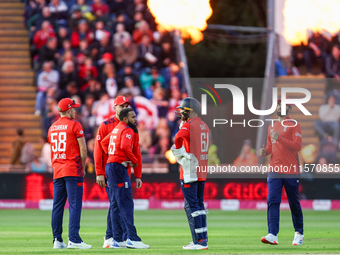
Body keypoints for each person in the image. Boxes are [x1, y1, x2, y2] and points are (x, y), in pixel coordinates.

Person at [101, 108, 150, 249]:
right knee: (127, 202)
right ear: (125, 119)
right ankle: (132, 238)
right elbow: (125, 147)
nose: (135, 119)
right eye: (133, 117)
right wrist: (133, 161)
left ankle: (117, 239)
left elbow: (104, 143)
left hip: (111, 167)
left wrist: (112, 154)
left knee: (116, 204)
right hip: (118, 168)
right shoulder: (127, 130)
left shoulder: (117, 128)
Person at [258, 99, 304, 246]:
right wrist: (265, 151)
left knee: (293, 202)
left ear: (289, 110)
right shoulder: (272, 126)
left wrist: (281, 138)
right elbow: (271, 147)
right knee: (272, 200)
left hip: (290, 170)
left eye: (283, 106)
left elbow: (297, 146)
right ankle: (272, 234)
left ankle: (299, 233)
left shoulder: (294, 125)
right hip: (274, 169)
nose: (279, 108)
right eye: (278, 105)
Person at [47, 98, 91, 249]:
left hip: (57, 170)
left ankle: (57, 240)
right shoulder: (75, 124)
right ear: (69, 109)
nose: (75, 111)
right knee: (74, 205)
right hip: (73, 169)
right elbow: (83, 149)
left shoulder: (52, 127)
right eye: (73, 108)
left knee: (57, 206)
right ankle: (74, 239)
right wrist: (83, 167)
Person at [171, 97, 209, 250]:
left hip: (189, 170)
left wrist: (179, 152)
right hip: (201, 171)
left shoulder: (188, 126)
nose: (180, 113)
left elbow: (178, 137)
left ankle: (197, 242)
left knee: (191, 206)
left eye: (183, 110)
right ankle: (203, 239)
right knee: (199, 204)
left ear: (190, 111)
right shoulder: (204, 125)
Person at [94, 96, 131, 248]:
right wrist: (99, 172)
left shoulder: (129, 124)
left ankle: (112, 236)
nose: (124, 108)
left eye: (126, 105)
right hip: (110, 171)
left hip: (123, 170)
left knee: (117, 203)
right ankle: (114, 237)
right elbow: (98, 150)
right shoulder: (105, 125)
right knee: (116, 202)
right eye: (121, 106)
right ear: (114, 108)